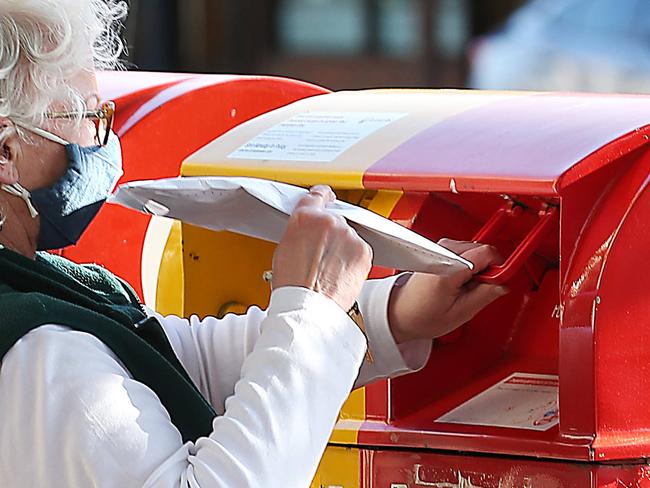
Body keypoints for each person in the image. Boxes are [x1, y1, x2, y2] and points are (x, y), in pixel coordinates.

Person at [0, 1, 507, 487]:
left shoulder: (40, 290)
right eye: (87, 117)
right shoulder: (44, 354)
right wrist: (313, 307)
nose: (102, 141)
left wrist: (387, 313)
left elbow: (179, 361)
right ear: (6, 150)